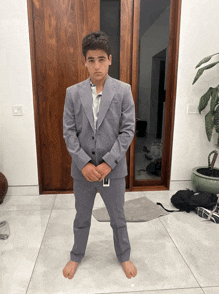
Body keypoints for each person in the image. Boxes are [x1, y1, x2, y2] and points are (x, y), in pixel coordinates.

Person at [62, 31, 137, 279]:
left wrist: (108, 163)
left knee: (118, 217)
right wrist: (83, 163)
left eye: (101, 59)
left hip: (112, 171)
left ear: (110, 60)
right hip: (82, 171)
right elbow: (69, 132)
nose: (97, 65)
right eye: (91, 59)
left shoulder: (123, 90)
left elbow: (127, 131)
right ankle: (76, 255)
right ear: (84, 61)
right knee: (81, 216)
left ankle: (124, 256)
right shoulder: (73, 93)